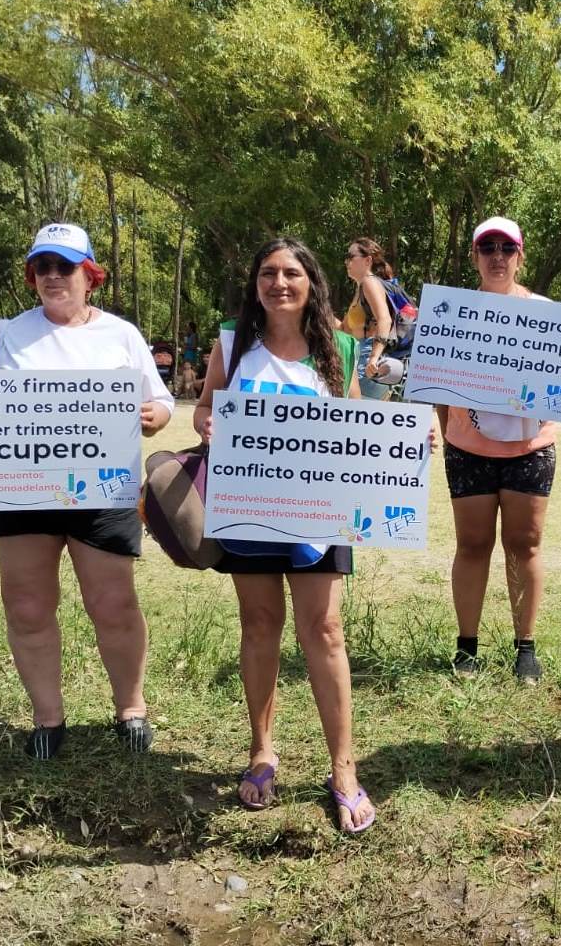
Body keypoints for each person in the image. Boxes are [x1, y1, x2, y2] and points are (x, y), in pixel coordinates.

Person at [193, 237, 376, 833]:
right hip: (248, 508)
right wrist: (210, 426)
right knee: (259, 625)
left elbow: (356, 426)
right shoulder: (233, 343)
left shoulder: (340, 349)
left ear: (310, 283)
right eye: (268, 272)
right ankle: (262, 751)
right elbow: (202, 410)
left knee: (324, 629)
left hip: (319, 515)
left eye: (291, 273)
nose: (279, 283)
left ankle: (342, 769)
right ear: (255, 284)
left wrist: (401, 445)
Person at [0, 222, 174, 759]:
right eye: (43, 267)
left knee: (113, 603)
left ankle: (130, 708)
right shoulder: (9, 332)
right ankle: (47, 718)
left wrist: (155, 413)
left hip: (102, 490)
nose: (53, 276)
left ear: (90, 275)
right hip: (19, 490)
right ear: (32, 275)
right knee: (27, 603)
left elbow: (161, 402)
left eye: (64, 266)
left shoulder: (122, 334)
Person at [436, 217, 561, 684]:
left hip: (531, 448)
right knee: (472, 546)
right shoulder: (455, 313)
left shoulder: (550, 314)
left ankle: (525, 648)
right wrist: (447, 431)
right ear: (474, 257)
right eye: (486, 247)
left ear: (520, 256)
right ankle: (466, 648)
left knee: (524, 546)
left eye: (506, 248)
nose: (496, 256)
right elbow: (435, 383)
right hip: (467, 448)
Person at [341, 238, 397, 400]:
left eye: (351, 256)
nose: (347, 261)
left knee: (355, 418)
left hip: (367, 361)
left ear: (368, 260)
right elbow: (343, 330)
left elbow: (384, 319)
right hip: (360, 358)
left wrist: (374, 357)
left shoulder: (369, 282)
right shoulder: (360, 289)